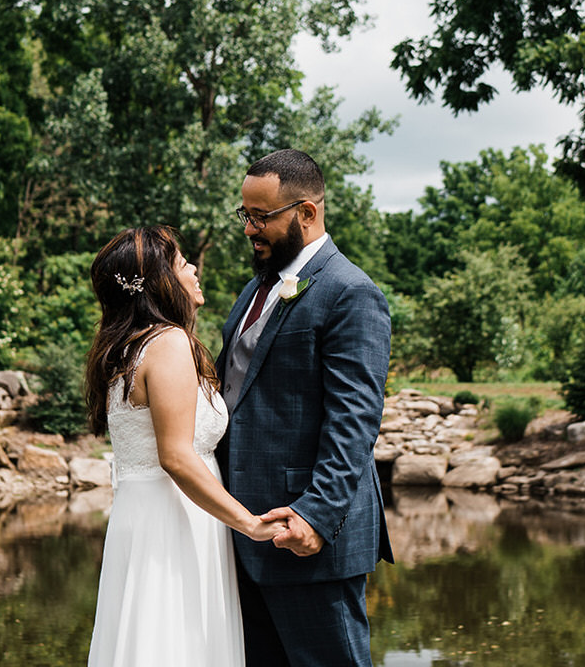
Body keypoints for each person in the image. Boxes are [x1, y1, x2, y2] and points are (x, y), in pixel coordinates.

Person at [217, 149, 394, 666]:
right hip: (247, 532)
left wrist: (314, 516)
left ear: (307, 213)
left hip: (307, 537)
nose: (249, 229)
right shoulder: (256, 287)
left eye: (261, 216)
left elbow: (354, 422)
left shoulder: (352, 293)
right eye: (244, 215)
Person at [84, 225, 280, 667]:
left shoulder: (126, 348)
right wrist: (249, 524)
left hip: (146, 516)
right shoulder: (168, 344)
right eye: (182, 262)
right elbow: (175, 456)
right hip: (174, 520)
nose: (193, 268)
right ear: (160, 281)